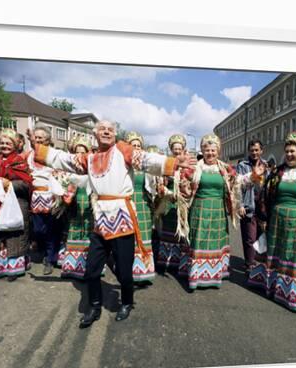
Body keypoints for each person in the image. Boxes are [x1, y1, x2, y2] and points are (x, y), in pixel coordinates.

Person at [32, 120, 195, 327]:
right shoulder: (89, 158)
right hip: (100, 220)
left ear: (115, 134)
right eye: (102, 129)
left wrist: (171, 162)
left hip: (122, 218)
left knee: (125, 270)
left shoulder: (122, 150)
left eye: (110, 129)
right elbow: (64, 159)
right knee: (91, 270)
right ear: (95, 134)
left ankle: (126, 302)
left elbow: (145, 159)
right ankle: (94, 306)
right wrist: (39, 149)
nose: (107, 132)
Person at [248, 132, 296, 312]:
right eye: (287, 151)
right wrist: (264, 219)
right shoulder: (276, 172)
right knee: (274, 254)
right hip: (275, 221)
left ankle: (292, 295)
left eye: (293, 151)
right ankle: (272, 287)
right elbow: (265, 196)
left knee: (292, 256)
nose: (289, 154)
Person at [184, 134, 264, 290]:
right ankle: (197, 276)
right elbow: (184, 185)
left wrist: (253, 175)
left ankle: (213, 275)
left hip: (218, 212)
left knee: (216, 242)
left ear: (218, 151)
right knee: (199, 242)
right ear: (202, 151)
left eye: (213, 150)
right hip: (199, 212)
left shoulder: (225, 168)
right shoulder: (195, 168)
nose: (210, 153)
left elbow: (238, 182)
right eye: (207, 150)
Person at [0, 129, 32, 282]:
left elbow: (26, 184)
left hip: (16, 203)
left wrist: (9, 184)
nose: (4, 146)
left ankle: (14, 268)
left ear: (15, 145)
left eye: (8, 143)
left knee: (13, 234)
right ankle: (1, 267)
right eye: (2, 143)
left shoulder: (19, 162)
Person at [25, 125, 66, 275]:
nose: (37, 139)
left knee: (51, 230)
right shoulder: (28, 155)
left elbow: (62, 175)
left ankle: (50, 259)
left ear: (48, 140)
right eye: (35, 137)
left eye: (41, 137)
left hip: (51, 197)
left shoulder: (54, 155)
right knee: (37, 229)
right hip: (35, 198)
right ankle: (46, 251)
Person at [154, 134, 193, 275]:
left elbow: (192, 185)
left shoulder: (189, 167)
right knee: (167, 232)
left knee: (181, 233)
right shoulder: (166, 166)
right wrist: (167, 191)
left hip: (182, 206)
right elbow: (159, 185)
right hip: (168, 204)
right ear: (171, 149)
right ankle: (166, 261)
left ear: (183, 149)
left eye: (179, 148)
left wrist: (186, 189)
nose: (177, 151)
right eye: (174, 148)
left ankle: (180, 263)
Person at [60, 137, 93, 279]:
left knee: (88, 231)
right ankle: (72, 267)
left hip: (88, 203)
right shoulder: (69, 168)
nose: (79, 155)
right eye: (76, 152)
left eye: (83, 152)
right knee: (73, 230)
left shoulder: (92, 167)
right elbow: (63, 182)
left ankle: (88, 267)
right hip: (74, 203)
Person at [125, 131, 156, 284]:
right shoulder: (123, 163)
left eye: (138, 145)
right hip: (127, 203)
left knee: (143, 237)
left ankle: (144, 271)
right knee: (128, 237)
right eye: (133, 145)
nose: (136, 148)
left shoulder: (146, 165)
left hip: (143, 204)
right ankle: (128, 270)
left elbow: (152, 186)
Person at [236, 140, 267, 271]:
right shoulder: (243, 165)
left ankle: (259, 264)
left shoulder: (265, 165)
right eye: (252, 150)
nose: (254, 152)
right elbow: (237, 186)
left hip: (262, 207)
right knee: (249, 237)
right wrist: (240, 204)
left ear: (261, 151)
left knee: (261, 237)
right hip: (248, 206)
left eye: (256, 150)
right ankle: (249, 265)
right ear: (249, 151)